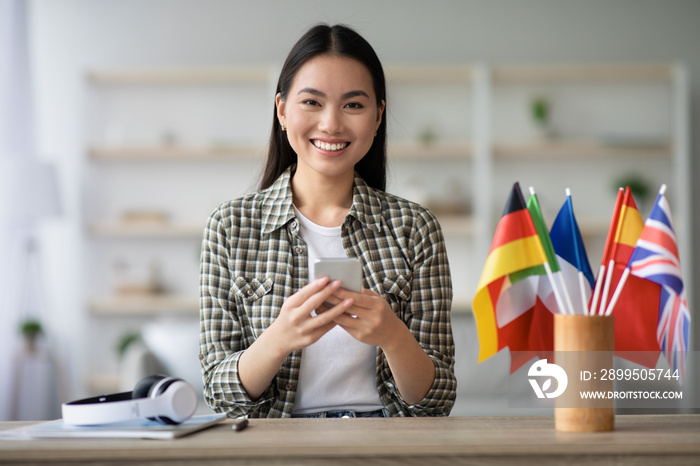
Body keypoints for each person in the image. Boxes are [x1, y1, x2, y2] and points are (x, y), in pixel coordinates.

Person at [199, 23, 456, 418]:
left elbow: (436, 402)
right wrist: (280, 338)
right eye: (312, 103)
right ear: (282, 110)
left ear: (377, 116)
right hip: (276, 446)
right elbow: (220, 394)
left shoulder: (415, 228)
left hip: (387, 444)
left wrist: (393, 336)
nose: (332, 124)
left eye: (353, 104)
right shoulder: (231, 227)